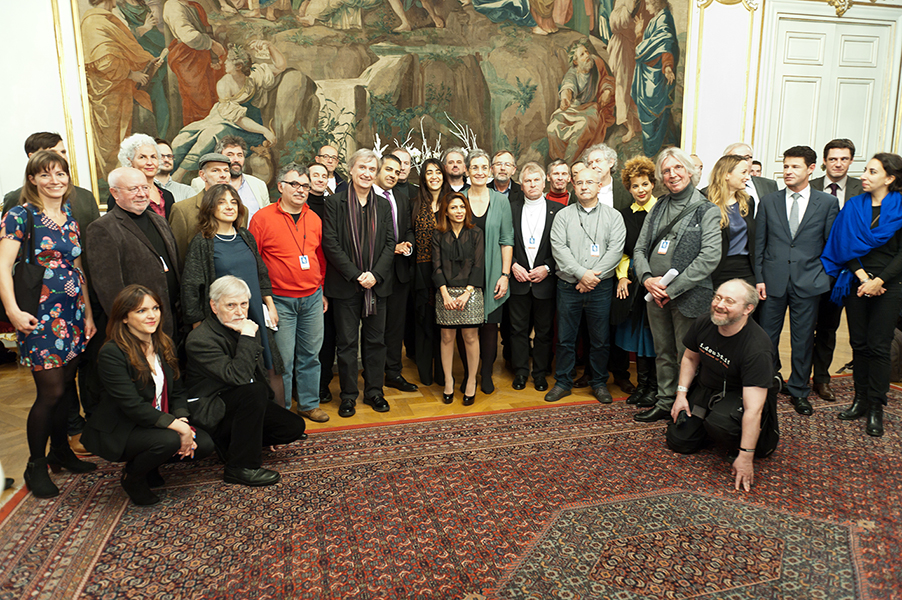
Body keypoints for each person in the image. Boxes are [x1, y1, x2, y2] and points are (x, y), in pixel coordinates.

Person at [0, 151, 97, 498]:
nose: (55, 180)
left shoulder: (69, 216)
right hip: (39, 316)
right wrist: (12, 311)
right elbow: (3, 266)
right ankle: (35, 465)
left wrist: (86, 313)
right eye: (46, 175)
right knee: (51, 391)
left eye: (60, 173)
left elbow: (78, 268)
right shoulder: (19, 215)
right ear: (32, 180)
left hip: (70, 313)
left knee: (66, 387)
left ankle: (61, 452)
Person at [81, 285, 214, 505]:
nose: (152, 315)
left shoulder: (163, 343)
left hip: (154, 420)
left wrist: (181, 418)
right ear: (124, 317)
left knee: (205, 444)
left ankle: (151, 464)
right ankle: (132, 477)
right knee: (170, 440)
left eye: (155, 308)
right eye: (141, 311)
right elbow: (132, 406)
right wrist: (180, 428)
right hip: (123, 427)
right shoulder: (112, 352)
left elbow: (178, 390)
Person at [185, 276, 307, 486]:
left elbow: (257, 373)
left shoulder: (245, 327)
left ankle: (233, 444)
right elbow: (239, 377)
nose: (240, 312)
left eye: (243, 304)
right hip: (211, 411)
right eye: (230, 305)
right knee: (254, 391)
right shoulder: (201, 339)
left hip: (241, 404)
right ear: (214, 306)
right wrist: (248, 337)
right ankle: (240, 467)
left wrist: (261, 420)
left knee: (293, 427)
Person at [632, 148, 722, 422]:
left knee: (688, 354)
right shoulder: (657, 206)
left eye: (678, 168)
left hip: (689, 297)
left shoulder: (707, 209)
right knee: (663, 352)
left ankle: (689, 408)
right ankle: (664, 401)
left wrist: (670, 289)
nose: (672, 175)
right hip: (654, 295)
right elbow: (639, 249)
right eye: (666, 171)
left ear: (690, 171)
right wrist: (647, 279)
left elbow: (709, 258)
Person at [666, 279, 778, 492]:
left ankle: (753, 438)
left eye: (729, 301)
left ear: (748, 309)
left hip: (740, 395)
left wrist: (746, 455)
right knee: (679, 441)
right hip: (707, 388)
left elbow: (754, 409)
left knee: (721, 424)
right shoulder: (703, 323)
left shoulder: (757, 347)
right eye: (718, 297)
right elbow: (690, 359)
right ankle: (709, 424)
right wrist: (681, 395)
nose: (719, 305)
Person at [181, 183, 286, 408]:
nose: (229, 207)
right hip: (225, 318)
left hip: (255, 310)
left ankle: (279, 418)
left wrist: (270, 304)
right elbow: (191, 286)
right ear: (210, 207)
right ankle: (251, 421)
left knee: (270, 363)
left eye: (233, 202)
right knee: (239, 365)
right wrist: (197, 326)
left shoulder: (245, 236)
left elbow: (260, 272)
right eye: (222, 202)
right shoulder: (202, 242)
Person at [822, 152, 902, 437]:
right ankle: (860, 400)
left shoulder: (901, 208)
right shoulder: (854, 206)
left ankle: (876, 407)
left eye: (872, 171)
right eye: (865, 170)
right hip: (857, 282)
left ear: (890, 178)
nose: (864, 176)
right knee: (859, 344)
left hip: (890, 285)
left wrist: (879, 280)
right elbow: (843, 246)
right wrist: (863, 277)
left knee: (879, 346)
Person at [755, 146, 838, 416]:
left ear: (811, 168)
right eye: (786, 166)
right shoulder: (768, 201)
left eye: (795, 167)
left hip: (809, 282)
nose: (788, 172)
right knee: (767, 338)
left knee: (803, 340)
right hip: (772, 281)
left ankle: (800, 390)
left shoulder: (826, 203)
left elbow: (831, 245)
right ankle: (768, 383)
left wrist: (823, 277)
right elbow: (759, 244)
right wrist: (759, 278)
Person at [249, 165, 329, 422]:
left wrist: (322, 290)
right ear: (280, 186)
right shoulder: (262, 218)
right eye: (294, 184)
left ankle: (308, 404)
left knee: (311, 355)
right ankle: (281, 410)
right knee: (283, 359)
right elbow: (255, 262)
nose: (300, 190)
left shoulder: (314, 218)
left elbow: (320, 257)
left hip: (313, 298)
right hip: (279, 301)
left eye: (305, 186)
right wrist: (264, 300)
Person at [322, 150, 396, 418]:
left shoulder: (383, 205)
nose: (367, 173)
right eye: (362, 167)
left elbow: (390, 244)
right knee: (347, 344)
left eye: (372, 169)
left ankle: (375, 391)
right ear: (351, 170)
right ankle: (349, 395)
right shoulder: (334, 203)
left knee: (376, 342)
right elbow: (330, 243)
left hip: (377, 285)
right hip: (346, 286)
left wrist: (374, 274)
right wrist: (357, 275)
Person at [544, 163, 626, 403]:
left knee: (600, 340)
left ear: (599, 186)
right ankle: (563, 381)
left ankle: (599, 382)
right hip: (569, 287)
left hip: (600, 289)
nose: (584, 186)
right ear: (573, 186)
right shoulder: (563, 216)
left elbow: (615, 251)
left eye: (589, 182)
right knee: (565, 339)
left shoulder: (614, 216)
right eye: (579, 182)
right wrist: (582, 275)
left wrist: (591, 278)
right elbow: (559, 249)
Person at [85, 167, 181, 342]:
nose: (142, 194)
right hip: (137, 326)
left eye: (145, 188)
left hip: (170, 317)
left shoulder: (159, 221)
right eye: (133, 189)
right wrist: (126, 324)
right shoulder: (103, 228)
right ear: (114, 193)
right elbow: (108, 287)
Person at [810, 138, 863, 402]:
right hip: (812, 269)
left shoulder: (861, 189)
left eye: (843, 159)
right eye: (833, 159)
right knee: (805, 326)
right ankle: (797, 377)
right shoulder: (809, 187)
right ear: (824, 161)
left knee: (829, 327)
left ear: (851, 161)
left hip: (846, 274)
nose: (838, 163)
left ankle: (821, 379)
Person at [80, 0, 155, 182]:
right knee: (111, 141)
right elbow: (104, 62)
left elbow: (122, 50)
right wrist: (131, 73)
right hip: (107, 94)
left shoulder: (106, 19)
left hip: (119, 90)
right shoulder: (93, 22)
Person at [462, 149, 514, 395]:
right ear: (467, 171)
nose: (480, 172)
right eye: (475, 167)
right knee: (467, 325)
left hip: (493, 271)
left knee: (490, 325)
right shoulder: (458, 198)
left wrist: (504, 275)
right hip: (463, 275)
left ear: (490, 170)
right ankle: (469, 373)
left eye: (484, 167)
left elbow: (507, 239)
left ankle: (486, 374)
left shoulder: (501, 200)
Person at [509, 163, 562, 392]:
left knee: (544, 332)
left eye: (536, 180)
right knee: (517, 330)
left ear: (544, 182)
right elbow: (502, 242)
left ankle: (540, 373)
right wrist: (512, 265)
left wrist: (547, 268)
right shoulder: (510, 209)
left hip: (545, 282)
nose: (532, 184)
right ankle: (521, 372)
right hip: (518, 280)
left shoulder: (558, 210)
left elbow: (562, 247)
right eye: (528, 180)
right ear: (521, 185)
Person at [612, 156, 658, 407]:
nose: (640, 190)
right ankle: (642, 385)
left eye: (644, 184)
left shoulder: (661, 210)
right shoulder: (623, 215)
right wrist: (621, 277)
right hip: (634, 283)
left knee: (654, 335)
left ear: (652, 184)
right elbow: (622, 251)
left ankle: (654, 387)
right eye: (635, 186)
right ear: (628, 189)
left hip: (657, 281)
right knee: (639, 335)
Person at [433, 193, 485, 405]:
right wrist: (445, 293)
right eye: (453, 207)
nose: (459, 211)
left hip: (470, 293)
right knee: (446, 338)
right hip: (445, 293)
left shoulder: (476, 233)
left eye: (462, 207)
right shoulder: (438, 234)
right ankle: (448, 381)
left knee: (470, 338)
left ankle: (471, 380)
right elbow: (435, 265)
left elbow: (479, 264)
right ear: (446, 211)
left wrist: (467, 292)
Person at [372, 155, 417, 393]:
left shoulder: (401, 197)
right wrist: (393, 248)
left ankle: (393, 373)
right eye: (388, 169)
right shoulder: (366, 197)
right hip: (375, 274)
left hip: (399, 273)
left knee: (395, 328)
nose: (393, 174)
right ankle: (374, 378)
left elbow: (408, 229)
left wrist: (407, 244)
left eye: (397, 171)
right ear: (378, 170)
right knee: (375, 330)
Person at [2, 133, 100, 231]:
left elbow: (97, 237)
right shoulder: (15, 200)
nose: (62, 157)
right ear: (32, 157)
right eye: (52, 152)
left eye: (63, 152)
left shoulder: (85, 197)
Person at [411, 159, 450, 386]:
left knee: (443, 324)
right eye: (429, 173)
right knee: (424, 322)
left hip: (447, 271)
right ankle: (425, 373)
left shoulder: (452, 203)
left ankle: (442, 373)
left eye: (437, 172)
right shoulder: (415, 203)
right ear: (423, 178)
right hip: (422, 271)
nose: (434, 176)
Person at [547, 39, 616, 164]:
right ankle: (559, 160)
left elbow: (606, 78)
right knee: (552, 129)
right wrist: (565, 99)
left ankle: (569, 163)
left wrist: (607, 91)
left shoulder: (596, 63)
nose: (587, 55)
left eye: (586, 51)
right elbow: (567, 87)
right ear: (575, 62)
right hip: (573, 108)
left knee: (583, 125)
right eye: (582, 55)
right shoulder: (573, 74)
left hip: (592, 108)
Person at [168, 153, 232, 268]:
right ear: (202, 175)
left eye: (226, 170)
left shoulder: (239, 210)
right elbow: (178, 256)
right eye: (215, 171)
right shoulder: (182, 210)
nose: (223, 175)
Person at [632, 0, 679, 157]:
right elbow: (644, 49)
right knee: (652, 112)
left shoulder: (664, 19)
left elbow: (666, 45)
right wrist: (639, 33)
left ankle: (663, 147)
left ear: (656, 3)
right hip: (648, 74)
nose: (646, 7)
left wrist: (667, 66)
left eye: (649, 3)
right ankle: (653, 150)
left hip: (658, 76)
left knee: (661, 111)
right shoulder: (655, 20)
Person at [188, 136, 271, 221]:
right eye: (230, 155)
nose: (236, 160)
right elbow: (194, 215)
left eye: (240, 155)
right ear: (219, 157)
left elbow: (266, 218)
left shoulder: (259, 184)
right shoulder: (200, 183)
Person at [707, 155, 757, 289]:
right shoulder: (706, 202)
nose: (748, 177)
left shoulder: (747, 202)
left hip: (745, 269)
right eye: (743, 172)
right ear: (726, 174)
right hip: (717, 270)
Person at [116, 133, 175, 218]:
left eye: (153, 157)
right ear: (130, 161)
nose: (150, 162)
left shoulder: (167, 195)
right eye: (142, 157)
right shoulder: (121, 196)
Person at [154, 138, 196, 202]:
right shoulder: (143, 190)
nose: (166, 160)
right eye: (161, 156)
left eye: (169, 156)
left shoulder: (187, 191)